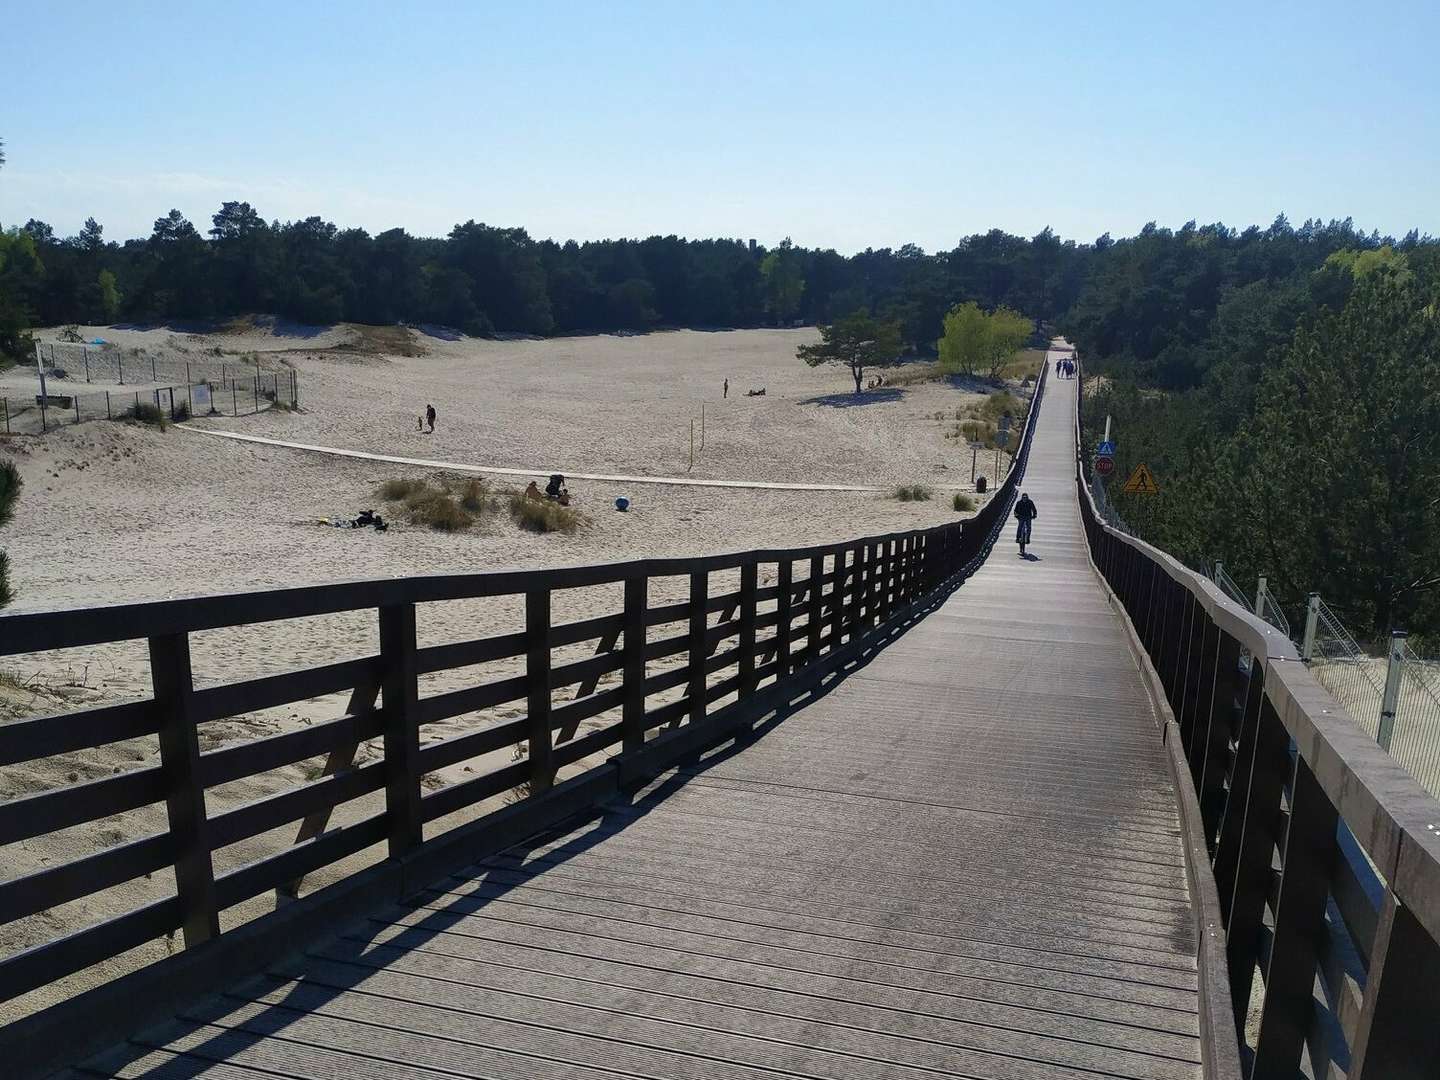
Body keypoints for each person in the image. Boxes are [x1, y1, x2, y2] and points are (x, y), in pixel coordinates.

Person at [1014, 491, 1038, 556]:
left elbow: (1034, 509)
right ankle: (1018, 538)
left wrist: (1034, 515)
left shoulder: (1030, 502)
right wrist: (1017, 516)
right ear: (1022, 498)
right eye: (1023, 498)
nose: (1024, 499)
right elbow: (1015, 511)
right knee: (1020, 528)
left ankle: (1027, 538)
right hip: (1021, 517)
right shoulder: (1019, 503)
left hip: (1028, 517)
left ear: (1027, 498)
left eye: (1026, 498)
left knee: (1029, 528)